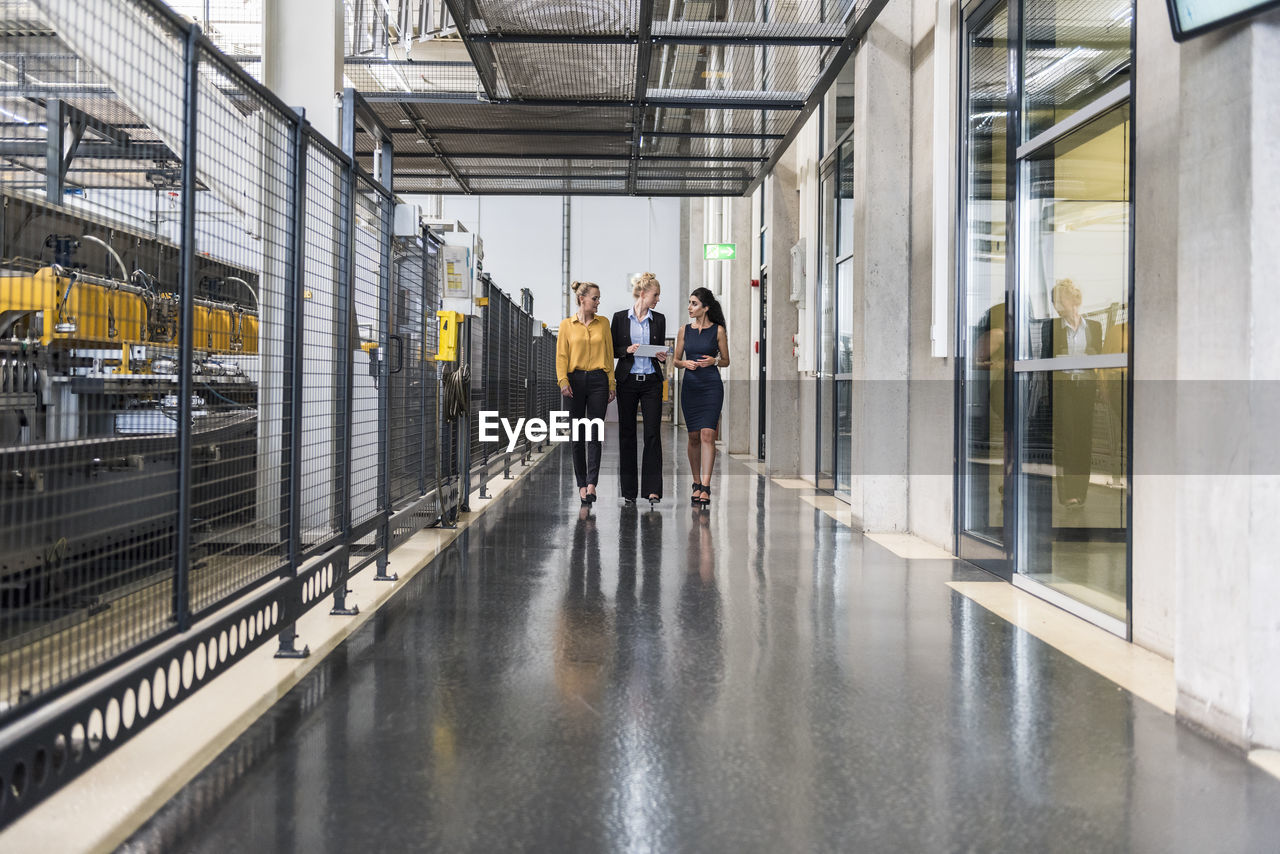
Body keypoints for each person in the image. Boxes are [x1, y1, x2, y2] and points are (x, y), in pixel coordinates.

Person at [611, 272, 668, 508]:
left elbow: (659, 350)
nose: (657, 300)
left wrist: (662, 356)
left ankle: (653, 490)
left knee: (653, 434)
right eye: (655, 295)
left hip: (651, 382)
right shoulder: (620, 318)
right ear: (643, 294)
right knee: (627, 435)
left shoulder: (659, 319)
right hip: (627, 381)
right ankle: (629, 492)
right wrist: (628, 349)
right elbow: (613, 349)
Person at [556, 280, 615, 505]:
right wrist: (563, 381)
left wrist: (612, 383)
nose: (598, 302)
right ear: (582, 299)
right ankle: (581, 484)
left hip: (599, 380)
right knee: (577, 435)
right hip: (575, 381)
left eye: (599, 298)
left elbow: (609, 355)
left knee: (594, 433)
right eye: (595, 298)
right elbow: (561, 356)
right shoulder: (566, 325)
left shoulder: (604, 324)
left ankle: (592, 484)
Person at [1045, 278, 1102, 507]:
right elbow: (1046, 360)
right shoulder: (1053, 328)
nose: (1056, 305)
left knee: (1083, 439)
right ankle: (1068, 493)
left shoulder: (1094, 327)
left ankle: (1081, 492)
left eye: (1060, 300)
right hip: (1065, 386)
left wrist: (1092, 355)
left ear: (1073, 300)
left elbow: (1099, 356)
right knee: (1067, 439)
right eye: (1054, 301)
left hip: (1086, 386)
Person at [674, 287, 729, 507]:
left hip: (711, 386)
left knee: (708, 433)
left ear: (705, 308)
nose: (690, 307)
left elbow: (726, 360)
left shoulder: (718, 331)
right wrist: (685, 363)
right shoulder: (683, 331)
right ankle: (696, 482)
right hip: (690, 387)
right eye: (689, 303)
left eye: (694, 303)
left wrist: (713, 361)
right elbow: (676, 360)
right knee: (694, 436)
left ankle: (706, 486)